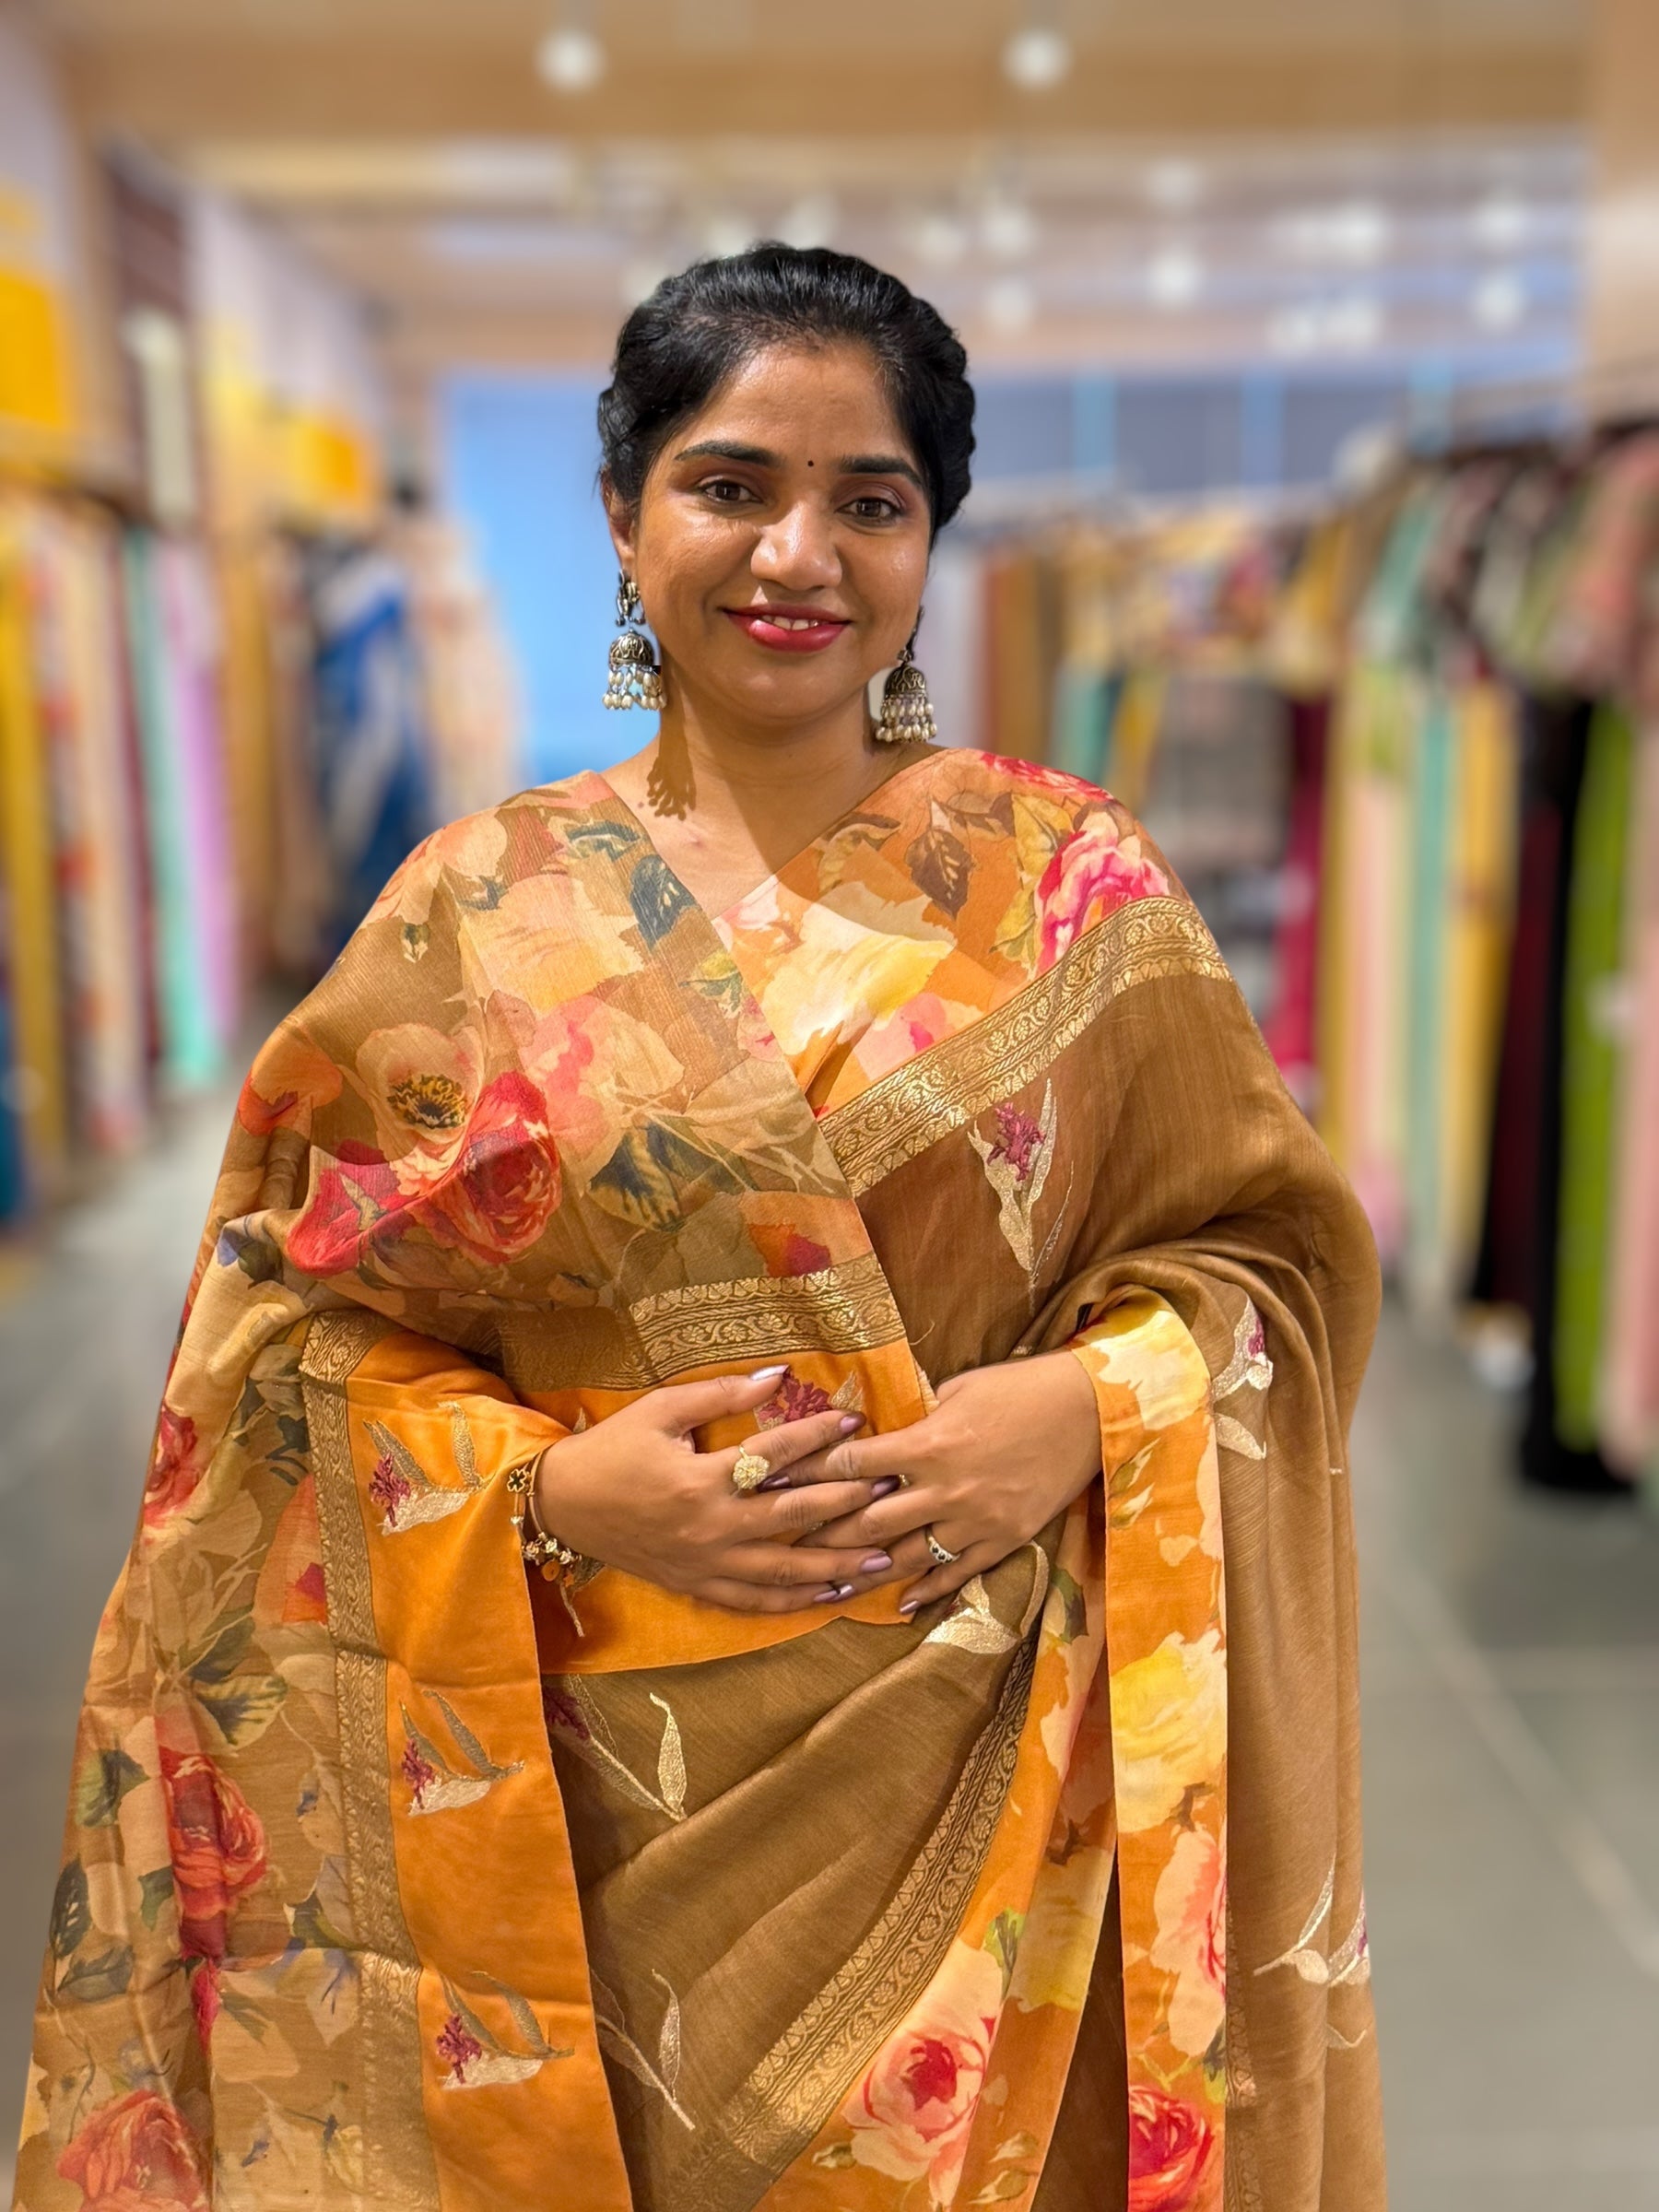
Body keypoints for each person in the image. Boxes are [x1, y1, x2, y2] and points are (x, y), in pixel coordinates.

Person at [16, 245, 1382, 2212]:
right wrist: (547, 1494)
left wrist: (1085, 1413)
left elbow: (1270, 1257)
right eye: (732, 485)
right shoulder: (473, 910)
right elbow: (275, 1348)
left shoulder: (1069, 882)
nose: (797, 555)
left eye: (870, 501)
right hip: (575, 1816)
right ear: (624, 513)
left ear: (930, 541)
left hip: (1001, 1785)